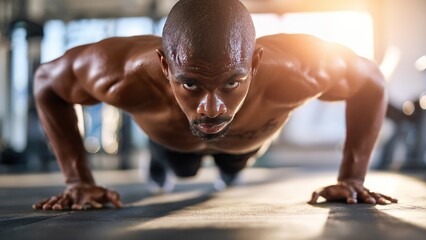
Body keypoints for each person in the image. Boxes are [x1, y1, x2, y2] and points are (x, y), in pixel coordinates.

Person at [32, 0, 397, 211]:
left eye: (232, 82)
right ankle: (161, 164)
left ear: (254, 63)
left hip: (248, 143)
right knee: (181, 167)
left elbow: (371, 82)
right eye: (190, 83)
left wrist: (351, 177)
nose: (211, 107)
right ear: (164, 66)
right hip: (170, 143)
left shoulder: (302, 69)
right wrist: (77, 180)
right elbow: (47, 82)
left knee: (233, 166)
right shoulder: (121, 74)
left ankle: (229, 168)